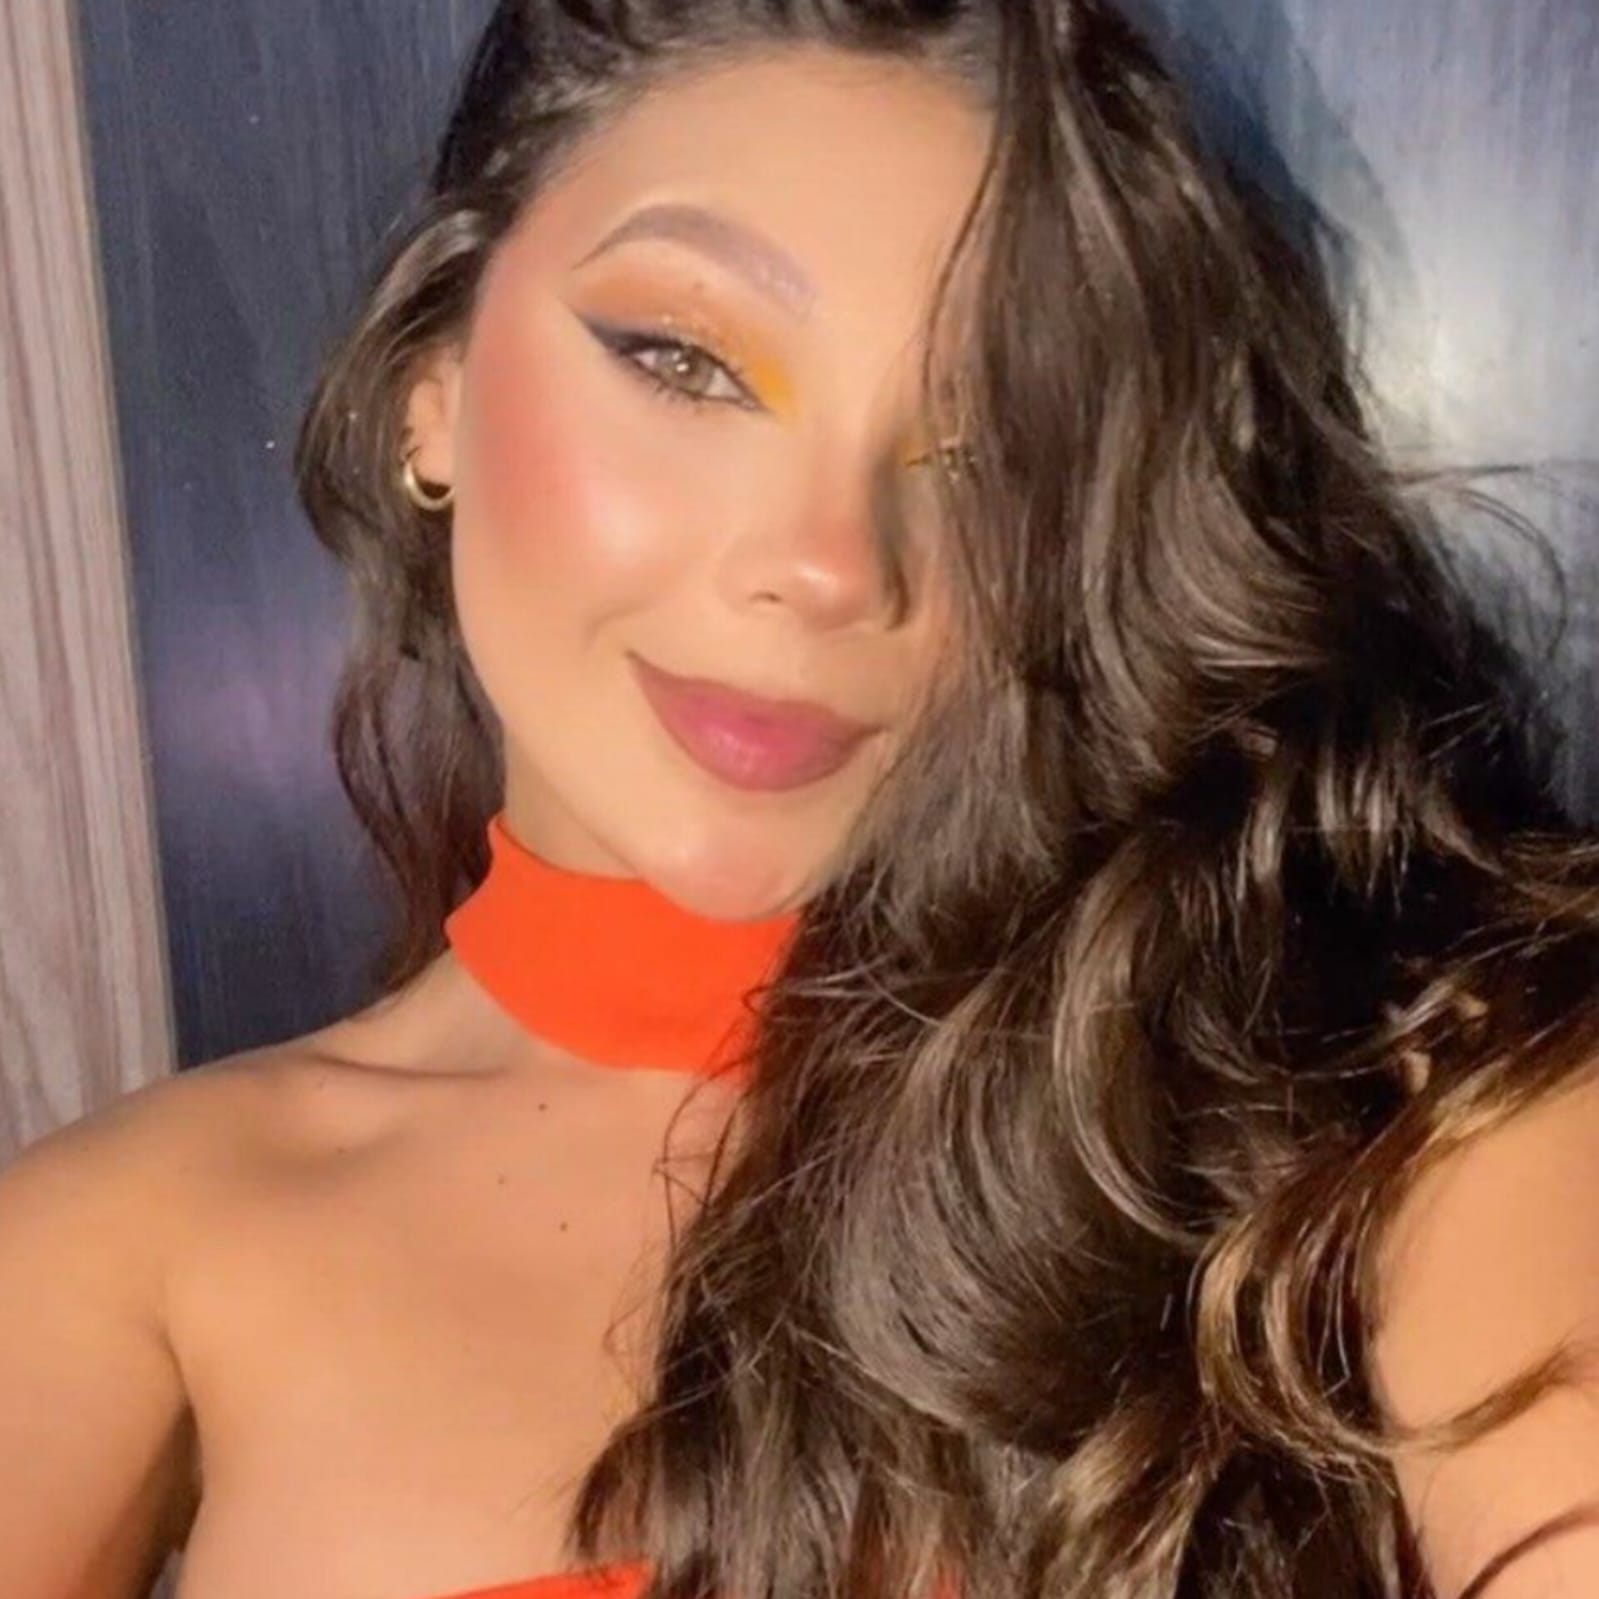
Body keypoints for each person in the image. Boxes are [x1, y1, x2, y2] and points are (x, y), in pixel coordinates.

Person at [2, 1, 1597, 1596]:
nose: (831, 566)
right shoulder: (134, 1243)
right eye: (686, 361)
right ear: (433, 389)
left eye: (995, 449)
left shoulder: (1402, 1094)